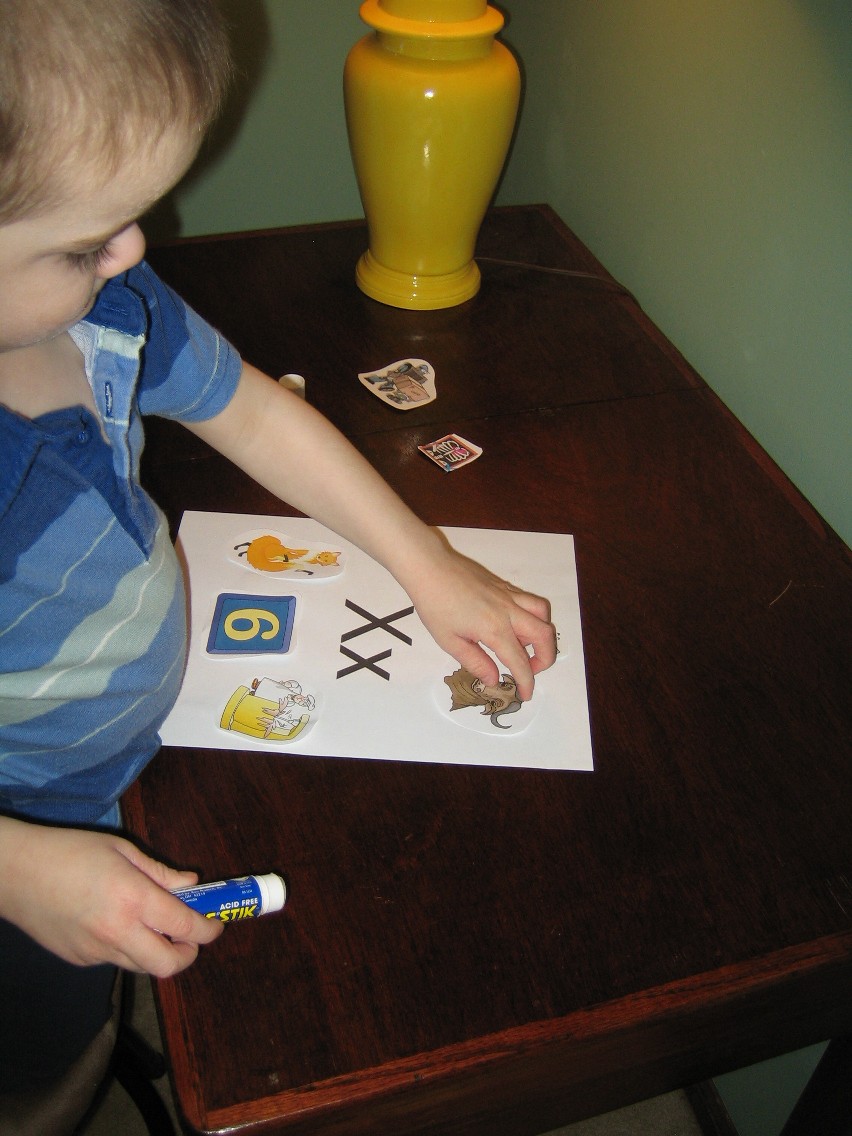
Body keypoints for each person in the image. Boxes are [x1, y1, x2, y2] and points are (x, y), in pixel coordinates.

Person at [0, 0, 556, 1091]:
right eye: (83, 238)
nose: (134, 249)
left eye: (138, 212)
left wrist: (423, 557)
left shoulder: (106, 301)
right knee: (47, 1068)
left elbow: (250, 413)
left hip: (148, 757)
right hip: (31, 820)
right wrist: (18, 869)